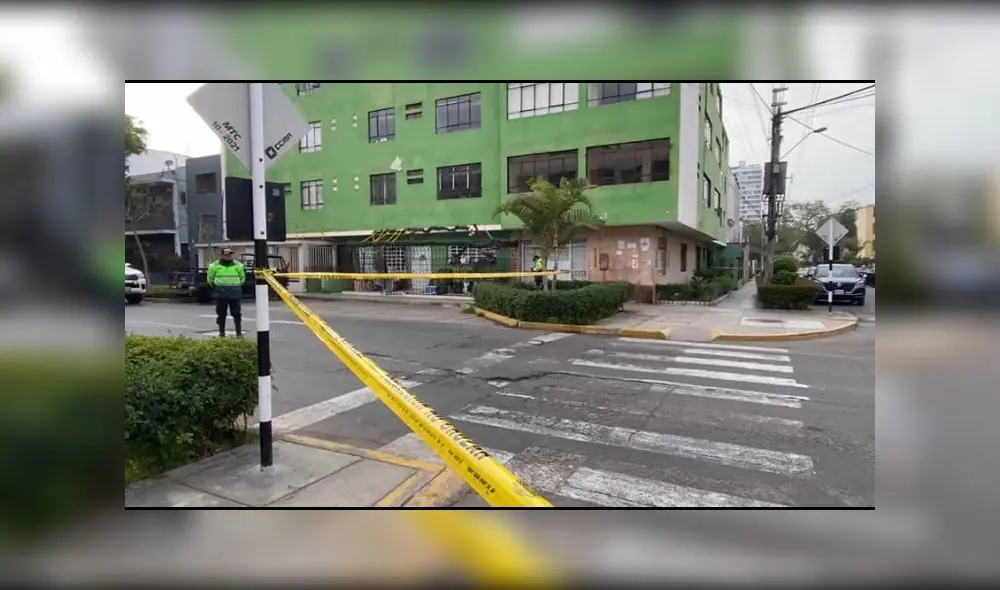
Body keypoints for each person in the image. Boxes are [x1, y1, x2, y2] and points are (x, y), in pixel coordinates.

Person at [207, 247, 246, 338]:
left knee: (236, 314)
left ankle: (238, 333)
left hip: (234, 293)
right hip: (221, 293)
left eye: (230, 254)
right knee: (221, 314)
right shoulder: (214, 266)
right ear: (221, 255)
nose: (229, 256)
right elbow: (210, 279)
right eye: (226, 254)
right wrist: (218, 286)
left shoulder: (238, 265)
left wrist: (234, 286)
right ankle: (221, 333)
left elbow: (242, 278)